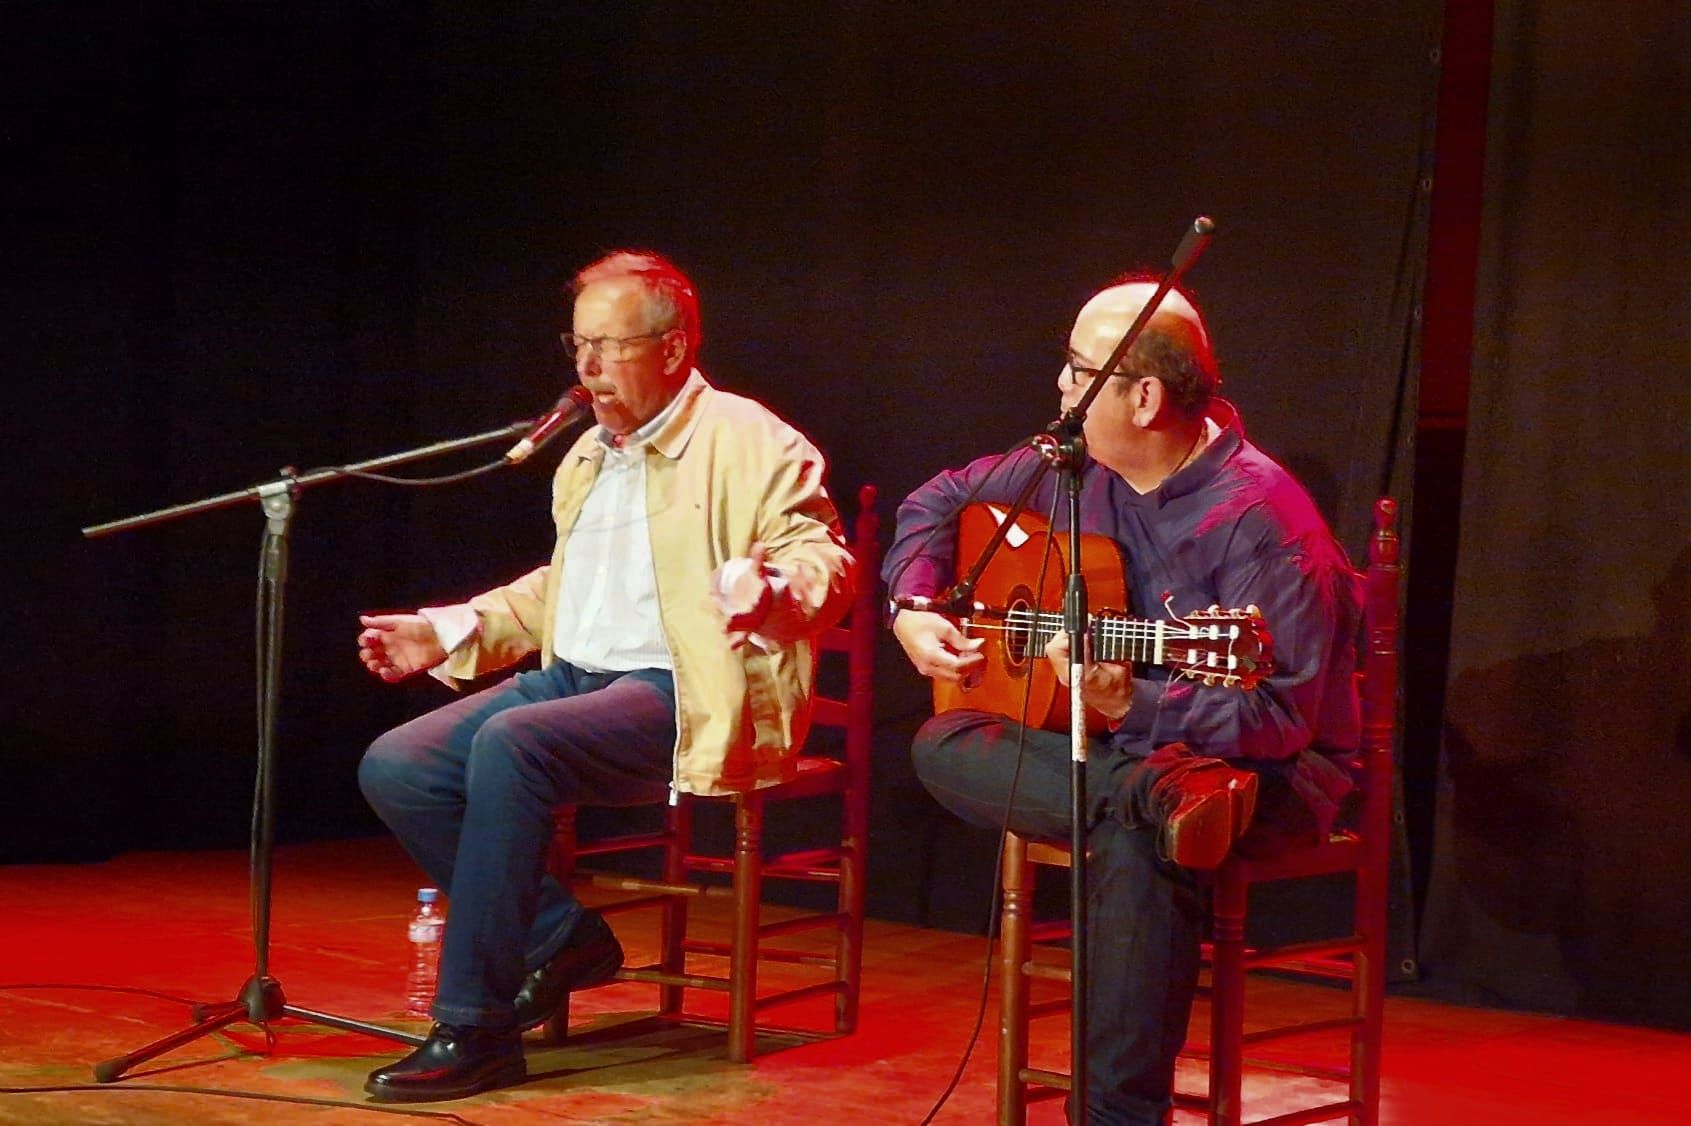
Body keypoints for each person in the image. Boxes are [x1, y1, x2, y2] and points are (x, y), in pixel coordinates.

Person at [354, 250, 855, 1102]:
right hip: (577, 683)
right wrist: (451, 629)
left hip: (684, 691)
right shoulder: (588, 454)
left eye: (609, 346)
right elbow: (565, 587)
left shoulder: (750, 440)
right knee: (399, 765)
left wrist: (772, 590)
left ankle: (475, 1029)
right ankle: (561, 937)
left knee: (513, 744)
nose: (587, 368)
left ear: (673, 348)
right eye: (578, 345)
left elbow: (822, 559)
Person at [882, 273, 1361, 1125]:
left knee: (1141, 845)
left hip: (1260, 776)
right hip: (1133, 766)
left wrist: (1132, 704)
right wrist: (912, 604)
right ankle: (1148, 796)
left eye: (1077, 371)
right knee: (941, 741)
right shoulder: (1074, 468)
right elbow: (940, 499)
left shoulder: (1263, 523)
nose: (1059, 388)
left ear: (1143, 399)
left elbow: (1280, 720)